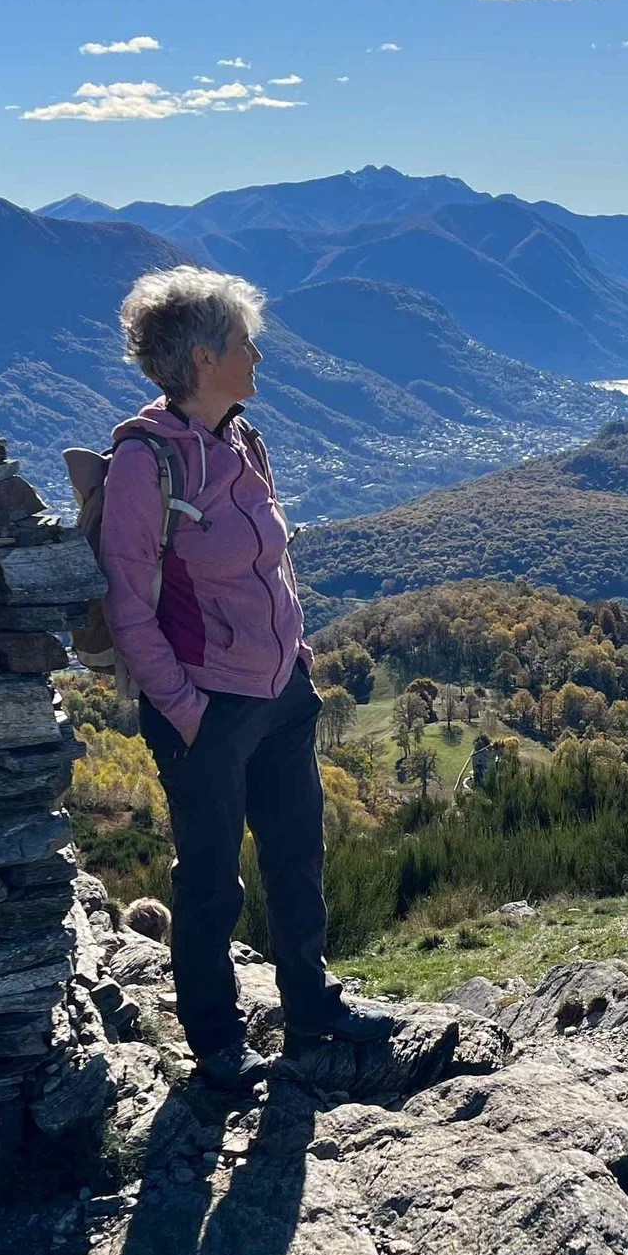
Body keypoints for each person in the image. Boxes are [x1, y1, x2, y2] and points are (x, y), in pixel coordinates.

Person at [91, 267, 392, 1091]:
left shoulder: (241, 438)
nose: (258, 353)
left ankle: (312, 1006)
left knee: (298, 856)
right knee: (211, 883)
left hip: (279, 693)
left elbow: (269, 561)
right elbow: (127, 602)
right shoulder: (143, 463)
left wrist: (297, 657)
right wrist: (183, 709)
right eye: (243, 342)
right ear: (200, 355)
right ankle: (218, 1048)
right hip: (207, 704)